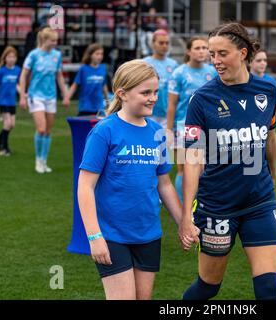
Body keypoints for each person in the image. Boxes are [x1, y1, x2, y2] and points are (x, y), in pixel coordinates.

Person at [77, 60, 197, 300]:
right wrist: (94, 236)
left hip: (149, 234)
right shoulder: (105, 131)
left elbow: (164, 184)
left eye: (155, 92)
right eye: (145, 93)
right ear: (122, 94)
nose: (153, 98)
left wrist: (183, 221)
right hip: (112, 235)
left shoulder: (157, 132)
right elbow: (85, 186)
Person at [179, 22, 276, 300]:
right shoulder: (201, 100)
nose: (215, 61)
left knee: (268, 288)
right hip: (217, 204)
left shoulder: (267, 91)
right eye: (212, 55)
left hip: (259, 202)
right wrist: (186, 214)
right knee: (208, 287)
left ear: (242, 52)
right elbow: (191, 158)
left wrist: (272, 174)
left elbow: (270, 137)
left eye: (222, 54)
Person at [166, 36, 217, 202]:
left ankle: (199, 203)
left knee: (203, 168)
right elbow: (172, 104)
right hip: (184, 127)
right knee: (183, 169)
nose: (202, 51)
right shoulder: (179, 73)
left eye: (204, 48)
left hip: (208, 127)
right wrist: (169, 130)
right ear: (188, 51)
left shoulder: (212, 72)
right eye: (197, 48)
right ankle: (182, 207)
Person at [19, 27, 69, 174]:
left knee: (47, 131)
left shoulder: (57, 55)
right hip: (36, 96)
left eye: (56, 41)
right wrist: (23, 95)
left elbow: (59, 76)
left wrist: (65, 94)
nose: (55, 43)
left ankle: (44, 160)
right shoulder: (33, 55)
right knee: (41, 129)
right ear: (44, 40)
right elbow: (23, 75)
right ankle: (38, 160)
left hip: (51, 97)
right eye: (52, 40)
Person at [143, 29, 179, 128]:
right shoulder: (144, 63)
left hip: (167, 115)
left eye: (167, 43)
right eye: (161, 43)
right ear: (153, 44)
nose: (164, 46)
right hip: (148, 113)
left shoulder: (174, 65)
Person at [0, 46, 21, 156]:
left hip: (12, 102)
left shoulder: (18, 70)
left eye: (13, 56)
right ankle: (4, 148)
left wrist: (23, 95)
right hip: (3, 101)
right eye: (9, 56)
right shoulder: (1, 71)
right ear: (5, 58)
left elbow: (17, 85)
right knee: (7, 123)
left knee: (11, 125)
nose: (11, 59)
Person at [66, 43, 109, 116]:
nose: (100, 56)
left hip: (99, 107)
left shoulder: (103, 68)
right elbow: (75, 85)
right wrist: (67, 98)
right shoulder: (83, 69)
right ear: (90, 55)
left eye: (101, 54)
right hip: (85, 107)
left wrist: (108, 101)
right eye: (97, 54)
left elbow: (104, 86)